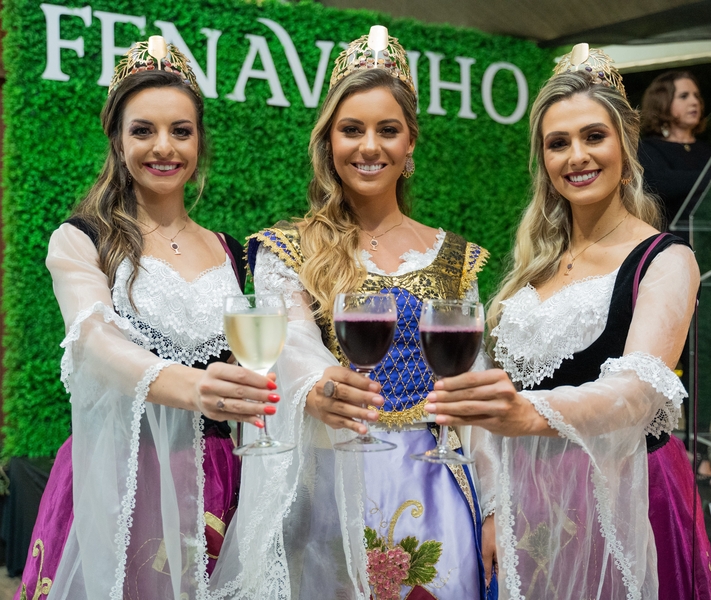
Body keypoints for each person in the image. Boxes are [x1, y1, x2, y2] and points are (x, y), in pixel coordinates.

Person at [209, 26, 497, 600]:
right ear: (328, 142)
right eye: (351, 129)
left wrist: (494, 510)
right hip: (330, 486)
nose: (369, 146)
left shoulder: (454, 258)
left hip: (438, 487)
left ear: (410, 143)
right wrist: (320, 386)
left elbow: (475, 390)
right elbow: (290, 344)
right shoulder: (288, 250)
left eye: (387, 130)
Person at [424, 45, 711, 599]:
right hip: (531, 503)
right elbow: (493, 389)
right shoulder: (535, 266)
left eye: (593, 136)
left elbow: (635, 392)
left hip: (626, 496)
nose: (577, 156)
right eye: (558, 143)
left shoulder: (667, 260)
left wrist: (528, 412)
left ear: (625, 144)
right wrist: (494, 507)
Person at [15, 37, 278, 600]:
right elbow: (93, 342)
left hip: (220, 477)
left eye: (181, 131)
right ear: (117, 139)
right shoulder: (81, 240)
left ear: (199, 140)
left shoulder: (230, 251)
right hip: (122, 473)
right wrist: (196, 387)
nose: (164, 147)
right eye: (143, 130)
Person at [639, 71, 711, 228]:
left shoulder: (706, 150)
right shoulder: (648, 148)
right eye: (684, 96)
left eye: (696, 96)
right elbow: (661, 184)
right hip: (670, 237)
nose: (694, 102)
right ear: (662, 102)